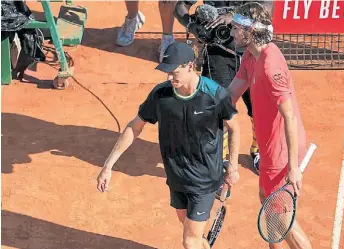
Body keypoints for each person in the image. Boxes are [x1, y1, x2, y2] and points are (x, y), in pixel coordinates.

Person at [97, 42, 240, 249]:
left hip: (204, 179)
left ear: (190, 66)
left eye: (174, 72)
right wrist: (108, 166)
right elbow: (134, 127)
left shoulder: (214, 95)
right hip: (176, 177)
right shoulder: (161, 95)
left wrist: (233, 167)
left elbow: (235, 127)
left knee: (189, 241)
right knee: (193, 234)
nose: (169, 78)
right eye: (166, 73)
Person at [227, 3, 313, 249]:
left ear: (251, 31)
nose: (232, 31)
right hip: (268, 148)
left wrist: (293, 167)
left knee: (283, 220)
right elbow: (231, 94)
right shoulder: (250, 56)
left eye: (236, 27)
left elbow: (290, 118)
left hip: (282, 152)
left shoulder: (269, 66)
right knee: (267, 202)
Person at [174, 0, 274, 175]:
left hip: (253, 53)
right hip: (217, 53)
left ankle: (258, 150)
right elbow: (180, 6)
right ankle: (221, 160)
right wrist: (192, 26)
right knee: (218, 111)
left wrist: (234, 16)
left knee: (259, 109)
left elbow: (267, 6)